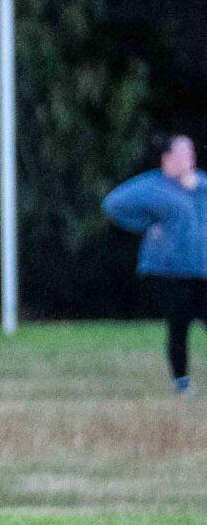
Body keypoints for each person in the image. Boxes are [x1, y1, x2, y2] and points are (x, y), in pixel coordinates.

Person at [103, 131, 207, 393]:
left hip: (201, 267)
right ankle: (182, 382)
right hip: (169, 270)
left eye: (190, 152)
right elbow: (113, 204)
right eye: (182, 153)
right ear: (167, 158)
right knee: (179, 324)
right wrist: (146, 224)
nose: (188, 158)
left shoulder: (202, 185)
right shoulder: (154, 186)